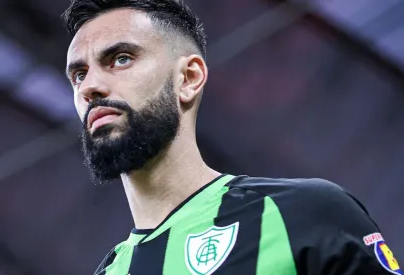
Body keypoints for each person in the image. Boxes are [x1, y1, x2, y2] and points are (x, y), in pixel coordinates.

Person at [62, 0, 401, 274]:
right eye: (79, 74)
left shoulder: (301, 214)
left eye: (121, 59)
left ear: (189, 78)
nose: (90, 87)